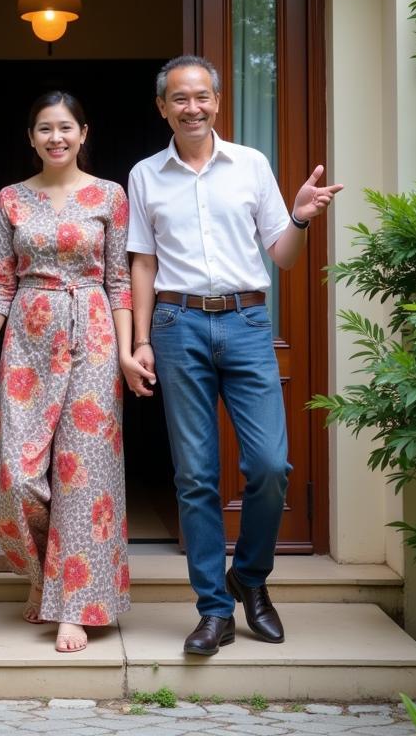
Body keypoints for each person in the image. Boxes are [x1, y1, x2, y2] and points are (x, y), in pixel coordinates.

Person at [126, 55, 342, 656]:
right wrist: (141, 339)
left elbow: (285, 255)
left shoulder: (250, 165)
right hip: (175, 323)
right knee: (195, 477)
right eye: (179, 98)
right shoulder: (145, 175)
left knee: (271, 467)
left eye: (202, 96)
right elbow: (142, 262)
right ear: (162, 107)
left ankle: (249, 577)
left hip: (246, 322)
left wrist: (299, 215)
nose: (191, 107)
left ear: (217, 102)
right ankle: (214, 610)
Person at [0, 91, 144, 654]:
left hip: (93, 333)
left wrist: (125, 349)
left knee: (83, 474)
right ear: (31, 137)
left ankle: (75, 605)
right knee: (18, 477)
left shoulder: (110, 196)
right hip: (27, 339)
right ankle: (45, 576)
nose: (56, 138)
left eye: (66, 128)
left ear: (84, 133)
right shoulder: (11, 199)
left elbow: (118, 279)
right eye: (45, 129)